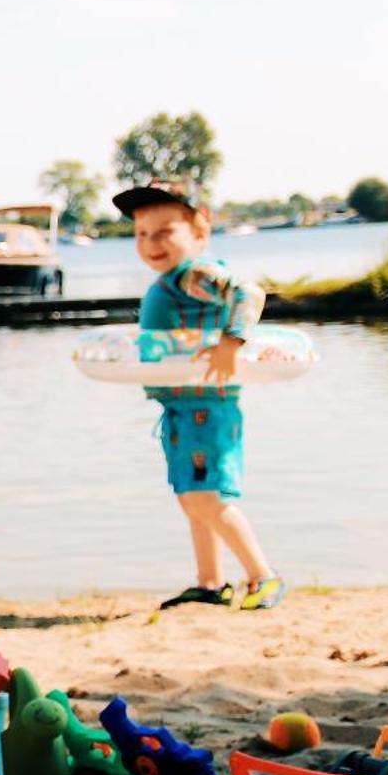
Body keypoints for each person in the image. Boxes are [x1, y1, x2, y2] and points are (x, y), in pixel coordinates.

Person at [117, 178, 282, 612]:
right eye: (141, 234)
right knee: (191, 497)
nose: (151, 242)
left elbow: (249, 293)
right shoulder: (176, 277)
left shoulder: (195, 274)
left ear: (200, 231)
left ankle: (263, 576)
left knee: (206, 497)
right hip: (182, 406)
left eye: (164, 231)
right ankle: (210, 583)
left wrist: (232, 342)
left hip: (205, 406)